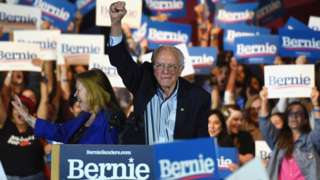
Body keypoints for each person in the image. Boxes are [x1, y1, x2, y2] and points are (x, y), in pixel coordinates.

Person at [107, 1, 211, 144]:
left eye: (171, 67)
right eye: (160, 65)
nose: (165, 71)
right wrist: (116, 23)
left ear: (181, 69)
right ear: (153, 67)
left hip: (175, 162)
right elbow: (119, 58)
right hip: (142, 161)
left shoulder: (198, 98)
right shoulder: (143, 81)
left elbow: (202, 143)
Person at [12, 69, 120, 144]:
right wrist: (27, 117)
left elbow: (114, 157)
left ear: (92, 91)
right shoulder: (84, 117)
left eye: (78, 90)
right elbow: (59, 132)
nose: (75, 94)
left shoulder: (112, 120)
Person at [259, 87, 320, 180]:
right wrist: (264, 101)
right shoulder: (279, 141)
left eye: (298, 113)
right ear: (286, 118)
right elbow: (264, 124)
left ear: (305, 119)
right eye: (290, 113)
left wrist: (316, 104)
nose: (294, 116)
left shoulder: (311, 140)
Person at [0, 95, 45, 180]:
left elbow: (45, 101)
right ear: (11, 112)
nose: (19, 112)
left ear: (29, 112)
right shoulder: (5, 126)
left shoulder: (36, 128)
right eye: (16, 109)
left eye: (23, 108)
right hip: (8, 177)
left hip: (34, 177)